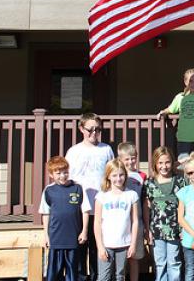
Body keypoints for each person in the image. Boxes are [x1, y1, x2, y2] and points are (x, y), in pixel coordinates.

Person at [66, 113, 114, 281]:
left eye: (98, 129)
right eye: (90, 129)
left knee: (97, 247)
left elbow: (112, 174)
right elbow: (68, 178)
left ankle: (96, 277)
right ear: (81, 129)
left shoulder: (106, 149)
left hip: (100, 207)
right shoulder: (73, 151)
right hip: (79, 207)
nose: (94, 133)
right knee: (79, 246)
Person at [39, 156, 91, 281]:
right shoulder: (49, 190)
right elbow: (45, 214)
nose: (63, 176)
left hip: (73, 238)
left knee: (72, 272)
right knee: (54, 272)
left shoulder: (78, 188)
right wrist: (46, 235)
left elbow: (85, 211)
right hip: (56, 238)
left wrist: (84, 231)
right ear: (51, 174)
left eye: (65, 172)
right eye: (58, 173)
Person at [143, 147, 185, 281]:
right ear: (155, 164)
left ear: (172, 163)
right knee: (160, 263)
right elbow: (146, 208)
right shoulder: (149, 184)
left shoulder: (179, 181)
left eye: (167, 162)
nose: (164, 166)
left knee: (174, 262)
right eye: (160, 163)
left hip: (175, 230)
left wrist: (183, 228)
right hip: (156, 231)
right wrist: (147, 228)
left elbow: (184, 206)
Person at [94, 159, 139, 281]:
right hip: (106, 244)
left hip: (124, 243)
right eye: (114, 175)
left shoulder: (131, 195)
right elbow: (97, 223)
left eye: (121, 175)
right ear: (108, 176)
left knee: (120, 275)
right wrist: (100, 246)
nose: (118, 179)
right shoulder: (101, 196)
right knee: (104, 276)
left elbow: (135, 221)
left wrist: (133, 244)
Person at [117, 142, 147, 281]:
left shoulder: (142, 176)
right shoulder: (117, 176)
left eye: (133, 158)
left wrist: (146, 225)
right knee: (120, 259)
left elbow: (145, 201)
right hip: (120, 222)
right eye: (127, 159)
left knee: (134, 258)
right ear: (120, 160)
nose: (130, 161)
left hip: (137, 221)